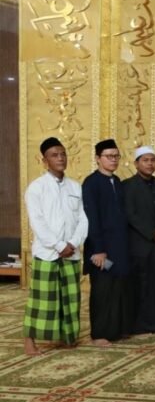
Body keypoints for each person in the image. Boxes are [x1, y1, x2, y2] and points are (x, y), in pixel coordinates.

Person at [22, 137, 89, 356]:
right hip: (48, 253)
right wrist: (59, 245)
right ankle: (29, 340)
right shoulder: (36, 188)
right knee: (42, 299)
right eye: (54, 155)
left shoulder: (75, 186)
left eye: (63, 154)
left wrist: (73, 243)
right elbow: (37, 222)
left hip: (71, 252)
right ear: (44, 161)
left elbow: (83, 219)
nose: (60, 158)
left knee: (70, 298)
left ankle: (68, 337)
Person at [82, 139, 133, 346]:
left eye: (116, 156)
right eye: (109, 156)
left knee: (118, 288)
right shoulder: (91, 183)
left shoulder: (117, 181)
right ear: (97, 158)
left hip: (119, 246)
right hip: (100, 248)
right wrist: (98, 249)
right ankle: (100, 333)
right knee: (102, 291)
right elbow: (91, 218)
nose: (113, 160)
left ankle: (116, 329)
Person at [124, 145, 155, 334]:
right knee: (142, 285)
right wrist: (152, 233)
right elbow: (130, 215)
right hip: (140, 244)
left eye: (152, 160)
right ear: (136, 164)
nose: (150, 164)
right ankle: (142, 324)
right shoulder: (128, 185)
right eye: (145, 160)